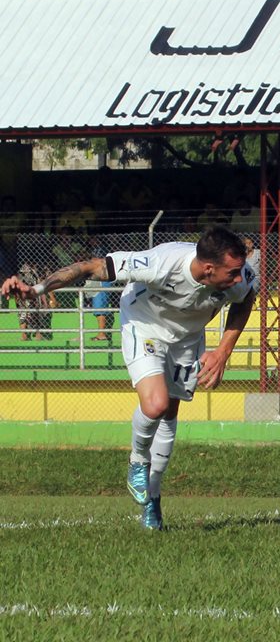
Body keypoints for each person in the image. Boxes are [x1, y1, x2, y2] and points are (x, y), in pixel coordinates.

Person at [1, 226, 256, 531]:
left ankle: (153, 496)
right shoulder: (163, 262)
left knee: (170, 413)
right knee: (156, 403)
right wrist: (37, 290)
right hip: (143, 324)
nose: (239, 278)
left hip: (186, 339)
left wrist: (223, 351)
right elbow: (89, 266)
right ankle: (137, 461)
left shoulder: (236, 279)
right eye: (233, 272)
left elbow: (246, 299)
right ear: (208, 268)